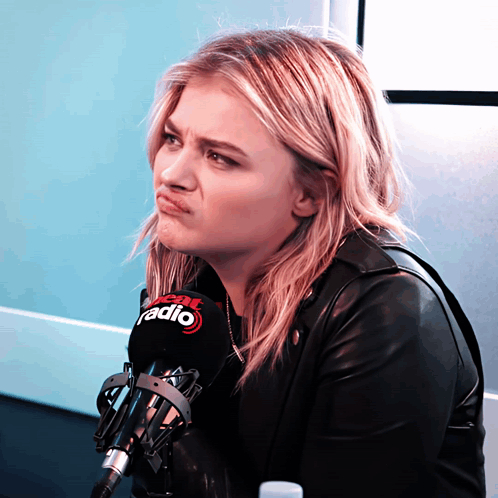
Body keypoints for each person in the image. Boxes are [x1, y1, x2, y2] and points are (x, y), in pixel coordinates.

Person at [128, 27, 486, 498]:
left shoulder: (387, 311)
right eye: (173, 139)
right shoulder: (191, 283)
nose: (171, 174)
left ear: (311, 191)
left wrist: (184, 456)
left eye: (220, 157)